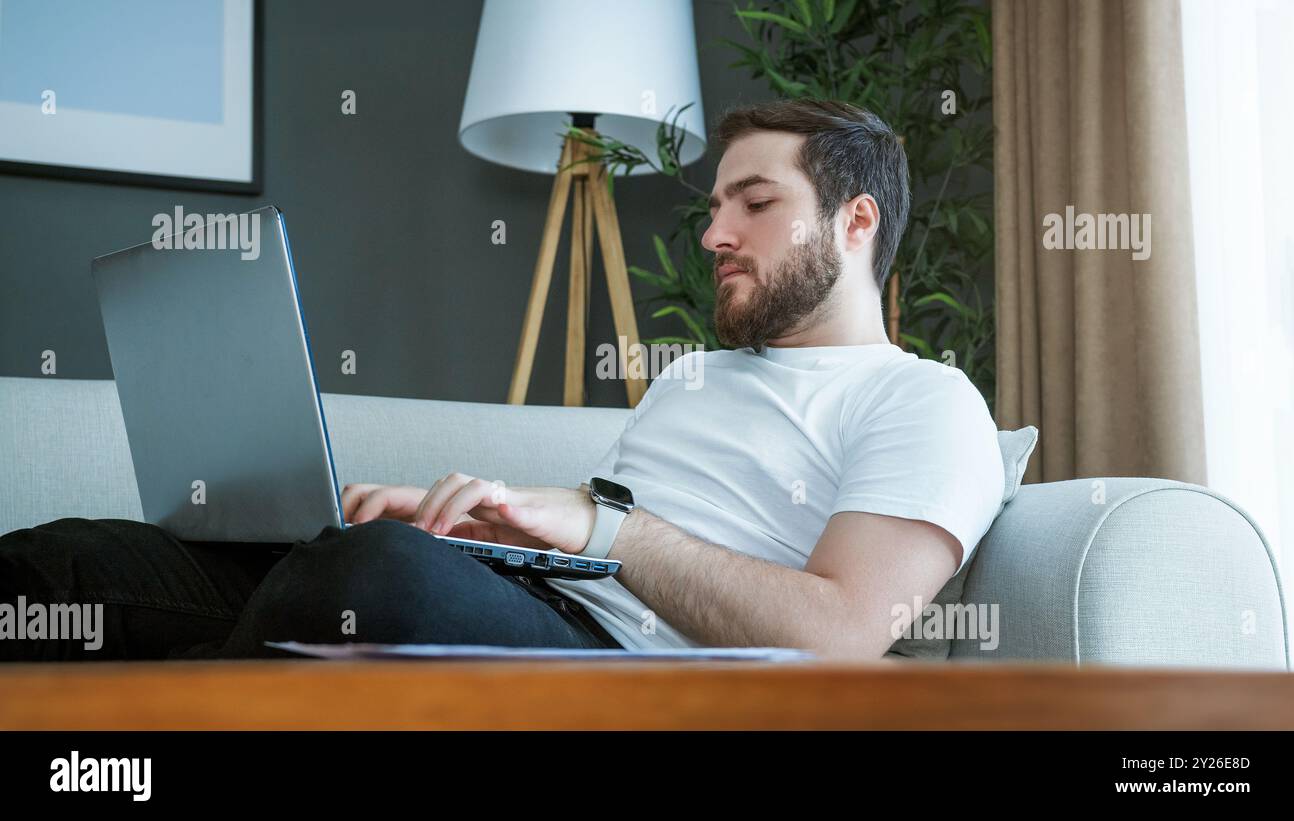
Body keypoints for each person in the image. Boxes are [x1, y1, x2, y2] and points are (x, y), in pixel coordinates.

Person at [0, 98, 1003, 663]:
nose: (711, 233)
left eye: (752, 201)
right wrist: (478, 524)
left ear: (855, 220)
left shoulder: (924, 401)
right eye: (713, 206)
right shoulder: (693, 376)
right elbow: (586, 541)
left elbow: (840, 631)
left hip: (610, 659)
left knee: (371, 572)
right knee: (67, 568)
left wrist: (597, 527)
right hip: (524, 596)